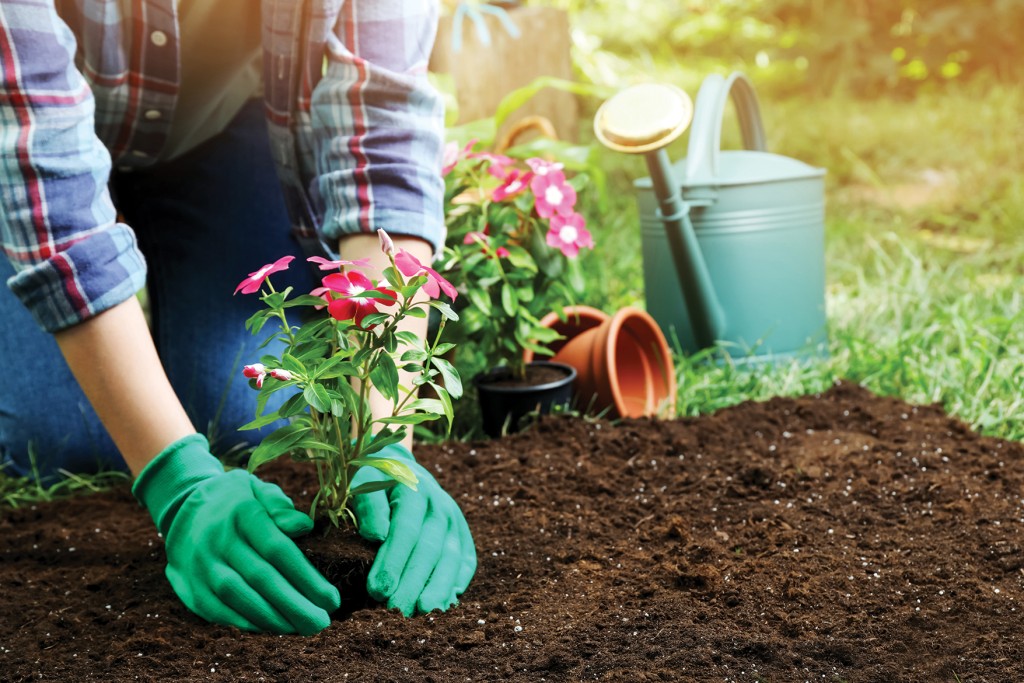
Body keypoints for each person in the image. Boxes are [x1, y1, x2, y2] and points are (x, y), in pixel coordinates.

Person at [0, 0, 476, 636]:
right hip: (16, 155)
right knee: (58, 438)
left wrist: (382, 436)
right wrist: (177, 478)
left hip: (206, 133)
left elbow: (383, 131)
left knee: (252, 413)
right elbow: (41, 165)